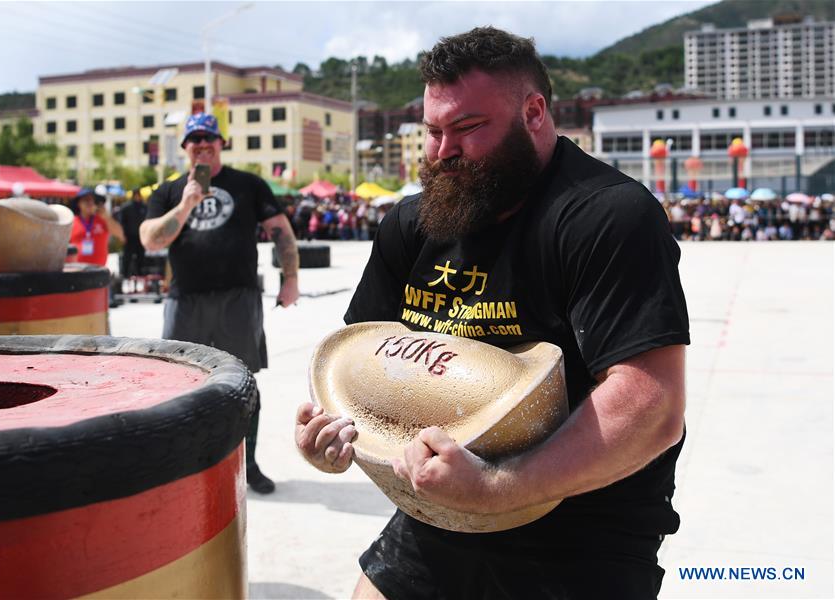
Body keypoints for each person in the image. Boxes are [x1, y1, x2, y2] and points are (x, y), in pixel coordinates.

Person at [295, 27, 689, 599]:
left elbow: (651, 406)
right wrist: (335, 434)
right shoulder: (412, 225)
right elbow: (364, 361)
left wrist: (496, 488)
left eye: (468, 128)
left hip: (583, 531)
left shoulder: (607, 216)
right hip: (438, 513)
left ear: (533, 112)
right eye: (433, 131)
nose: (443, 150)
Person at [140, 113, 299, 494]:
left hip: (238, 299)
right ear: (185, 148)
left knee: (242, 383)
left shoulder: (248, 185)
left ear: (221, 143)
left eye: (210, 137)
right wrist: (185, 206)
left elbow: (281, 232)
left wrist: (290, 278)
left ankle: (248, 463)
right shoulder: (168, 191)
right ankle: (185, 464)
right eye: (195, 139)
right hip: (186, 300)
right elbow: (150, 239)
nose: (203, 144)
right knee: (179, 382)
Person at [70, 187, 125, 267]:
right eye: (86, 200)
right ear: (79, 203)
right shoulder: (72, 221)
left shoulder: (103, 219)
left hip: (99, 269)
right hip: (77, 268)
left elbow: (120, 234)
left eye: (92, 200)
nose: (90, 203)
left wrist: (107, 217)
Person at [115, 189, 148, 279]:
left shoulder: (144, 207)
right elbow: (121, 221)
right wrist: (122, 235)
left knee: (141, 256)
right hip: (129, 236)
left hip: (140, 236)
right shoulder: (126, 207)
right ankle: (125, 275)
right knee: (127, 256)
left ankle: (140, 275)